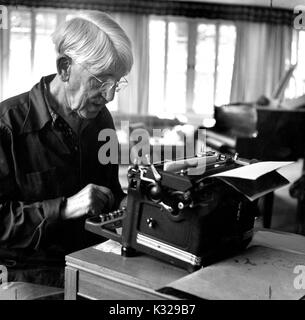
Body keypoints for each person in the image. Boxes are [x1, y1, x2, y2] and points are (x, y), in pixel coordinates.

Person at [0, 11, 133, 289]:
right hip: (32, 274)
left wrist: (132, 206)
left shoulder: (102, 119)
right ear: (65, 68)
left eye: (116, 83)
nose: (109, 96)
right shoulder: (7, 125)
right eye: (100, 81)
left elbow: (110, 191)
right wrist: (64, 208)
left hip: (94, 263)